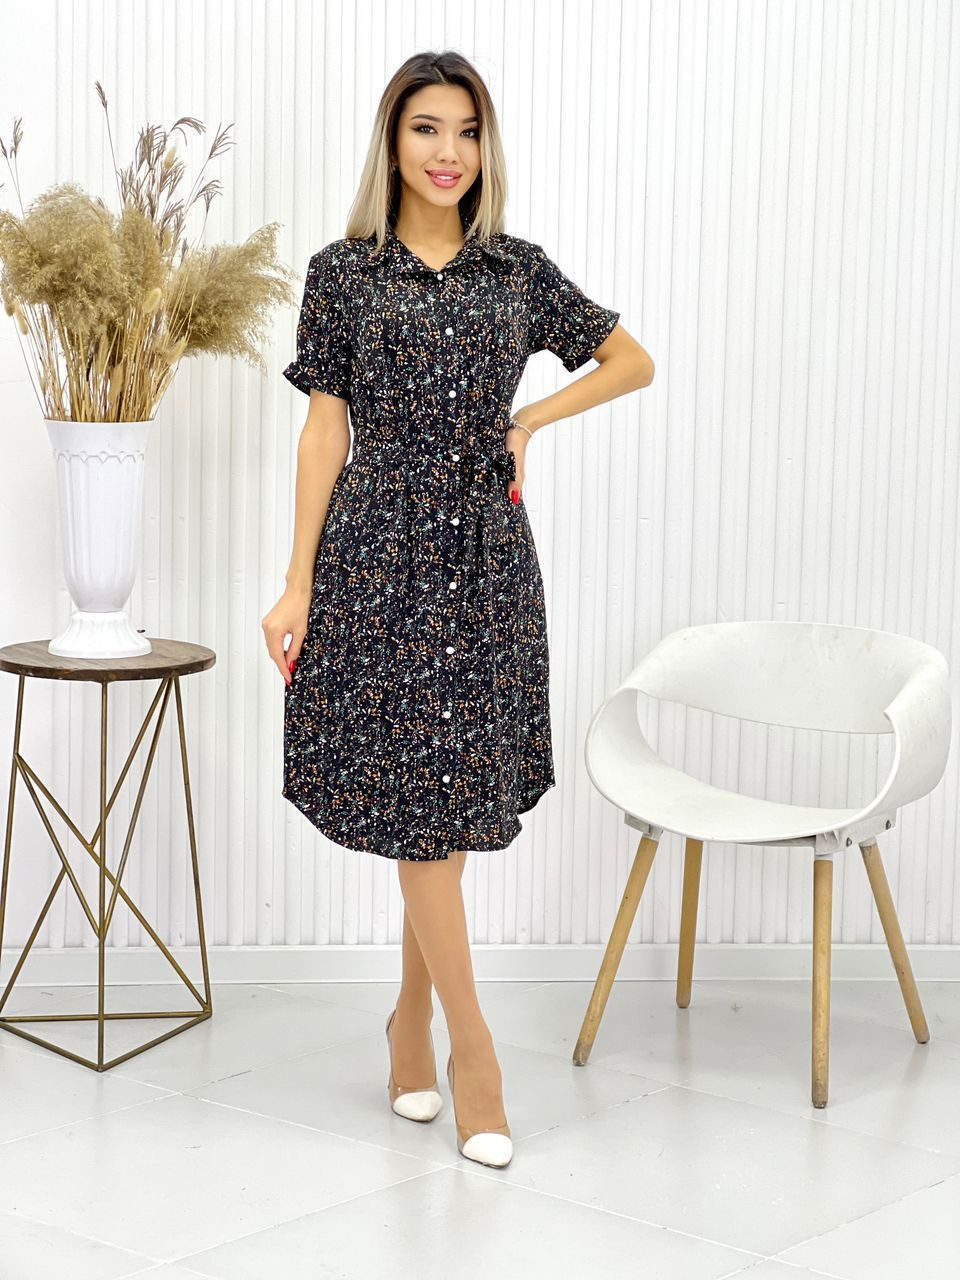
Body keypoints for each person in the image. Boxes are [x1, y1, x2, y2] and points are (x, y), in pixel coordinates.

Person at [262, 49, 654, 1169]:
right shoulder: (344, 273)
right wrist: (297, 581)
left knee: (446, 796)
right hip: (375, 555)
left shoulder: (516, 271)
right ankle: (470, 1049)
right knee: (419, 802)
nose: (449, 152)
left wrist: (530, 420)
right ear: (393, 141)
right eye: (427, 128)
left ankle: (408, 1022)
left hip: (485, 557)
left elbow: (630, 361)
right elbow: (324, 429)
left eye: (468, 131)